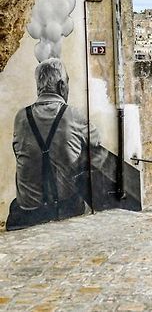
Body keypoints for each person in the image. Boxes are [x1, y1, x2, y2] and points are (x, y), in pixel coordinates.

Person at [6, 58, 100, 230]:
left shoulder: (21, 117)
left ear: (38, 86)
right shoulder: (74, 115)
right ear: (62, 86)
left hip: (28, 210)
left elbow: (18, 151)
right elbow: (96, 144)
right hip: (64, 208)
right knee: (86, 206)